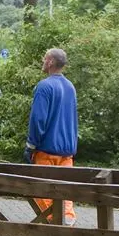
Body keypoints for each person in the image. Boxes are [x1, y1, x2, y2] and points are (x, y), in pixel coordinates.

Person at [25, 48, 78, 225]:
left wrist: (31, 145)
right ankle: (68, 222)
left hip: (47, 149)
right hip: (67, 151)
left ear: (50, 62)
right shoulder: (70, 86)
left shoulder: (45, 87)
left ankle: (59, 227)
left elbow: (38, 119)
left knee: (42, 190)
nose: (42, 61)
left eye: (44, 58)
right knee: (65, 191)